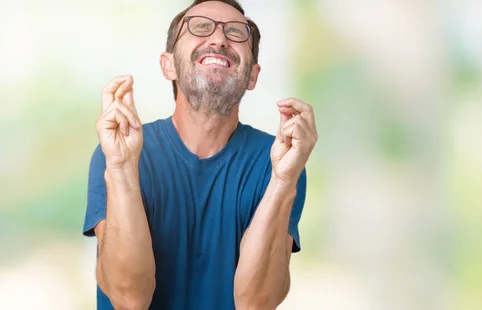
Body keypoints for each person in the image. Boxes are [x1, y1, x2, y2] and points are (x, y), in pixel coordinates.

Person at [82, 0, 318, 309]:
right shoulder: (118, 152)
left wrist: (284, 182)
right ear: (168, 65)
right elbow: (129, 298)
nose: (219, 39)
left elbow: (256, 303)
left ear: (252, 76)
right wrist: (122, 168)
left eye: (236, 32)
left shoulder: (279, 162)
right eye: (201, 27)